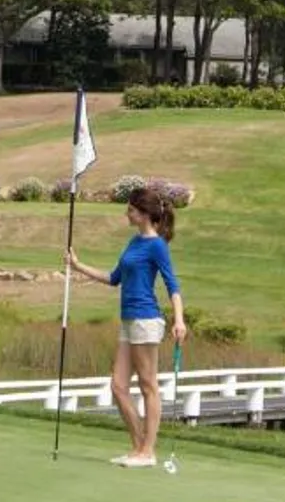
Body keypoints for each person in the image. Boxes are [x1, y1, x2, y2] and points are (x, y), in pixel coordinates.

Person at [64, 187, 186, 468]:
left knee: (147, 384)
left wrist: (179, 320)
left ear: (144, 214)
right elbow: (114, 278)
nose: (126, 213)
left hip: (146, 320)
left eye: (130, 209)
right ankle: (139, 447)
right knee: (118, 386)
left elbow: (173, 285)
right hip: (129, 320)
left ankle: (148, 451)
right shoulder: (134, 242)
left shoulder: (157, 246)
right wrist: (78, 266)